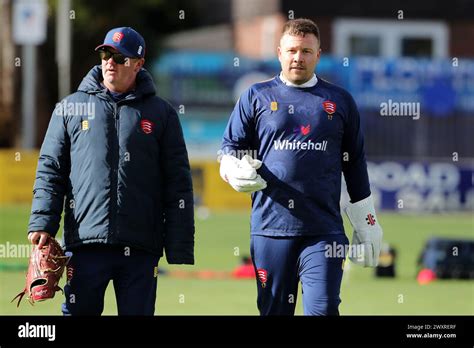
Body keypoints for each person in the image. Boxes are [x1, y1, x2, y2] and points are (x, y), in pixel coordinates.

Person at [219, 18, 383, 315]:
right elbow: (229, 148)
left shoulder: (340, 101)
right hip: (270, 230)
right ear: (279, 52)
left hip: (324, 231)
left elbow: (355, 164)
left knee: (323, 310)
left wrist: (367, 222)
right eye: (292, 50)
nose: (298, 57)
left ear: (318, 54)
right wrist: (232, 170)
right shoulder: (256, 96)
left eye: (306, 51)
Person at [28, 27, 194, 315]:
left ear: (139, 63)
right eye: (105, 54)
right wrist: (43, 222)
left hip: (141, 247)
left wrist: (178, 246)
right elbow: (51, 171)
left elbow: (177, 182)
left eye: (119, 57)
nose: (109, 62)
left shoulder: (161, 113)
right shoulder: (69, 108)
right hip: (85, 244)